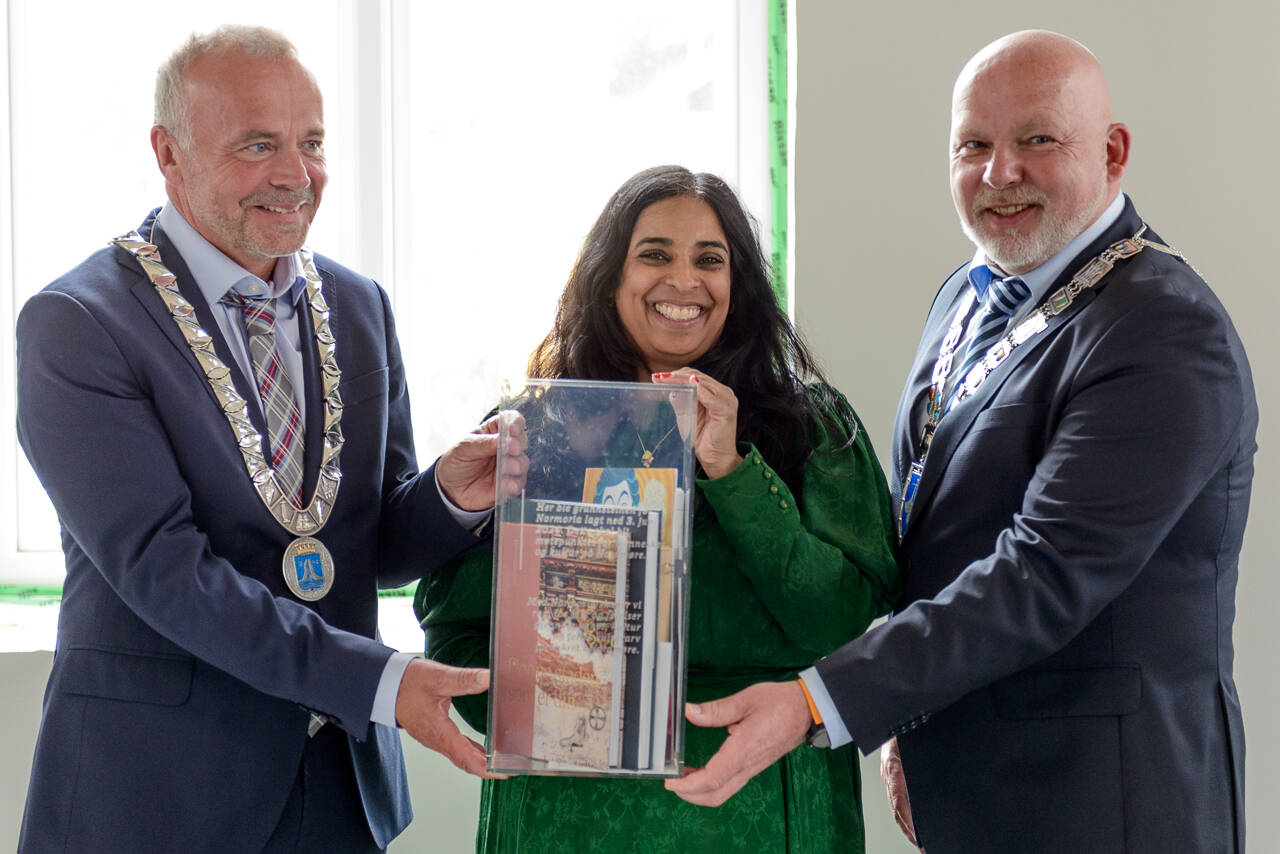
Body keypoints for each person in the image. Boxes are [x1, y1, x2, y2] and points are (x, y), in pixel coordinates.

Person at [665, 30, 1257, 854]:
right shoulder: (968, 293)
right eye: (972, 144)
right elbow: (935, 535)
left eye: (1036, 140)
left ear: (1114, 153)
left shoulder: (1163, 329)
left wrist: (818, 701)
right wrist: (909, 722)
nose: (998, 173)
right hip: (971, 784)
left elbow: (1041, 574)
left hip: (1105, 801)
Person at [14, 25, 523, 854]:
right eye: (258, 145)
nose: (296, 176)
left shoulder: (360, 307)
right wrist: (384, 683)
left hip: (337, 792)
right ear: (168, 154)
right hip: (156, 796)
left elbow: (361, 547)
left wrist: (448, 497)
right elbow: (162, 569)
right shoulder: (77, 325)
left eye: (312, 142)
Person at [415, 165, 900, 852]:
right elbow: (454, 628)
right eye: (655, 255)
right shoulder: (537, 426)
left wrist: (731, 472)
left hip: (763, 802)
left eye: (710, 260)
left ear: (740, 286)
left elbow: (845, 619)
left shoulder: (813, 428)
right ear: (611, 275)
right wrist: (547, 716)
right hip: (567, 814)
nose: (684, 281)